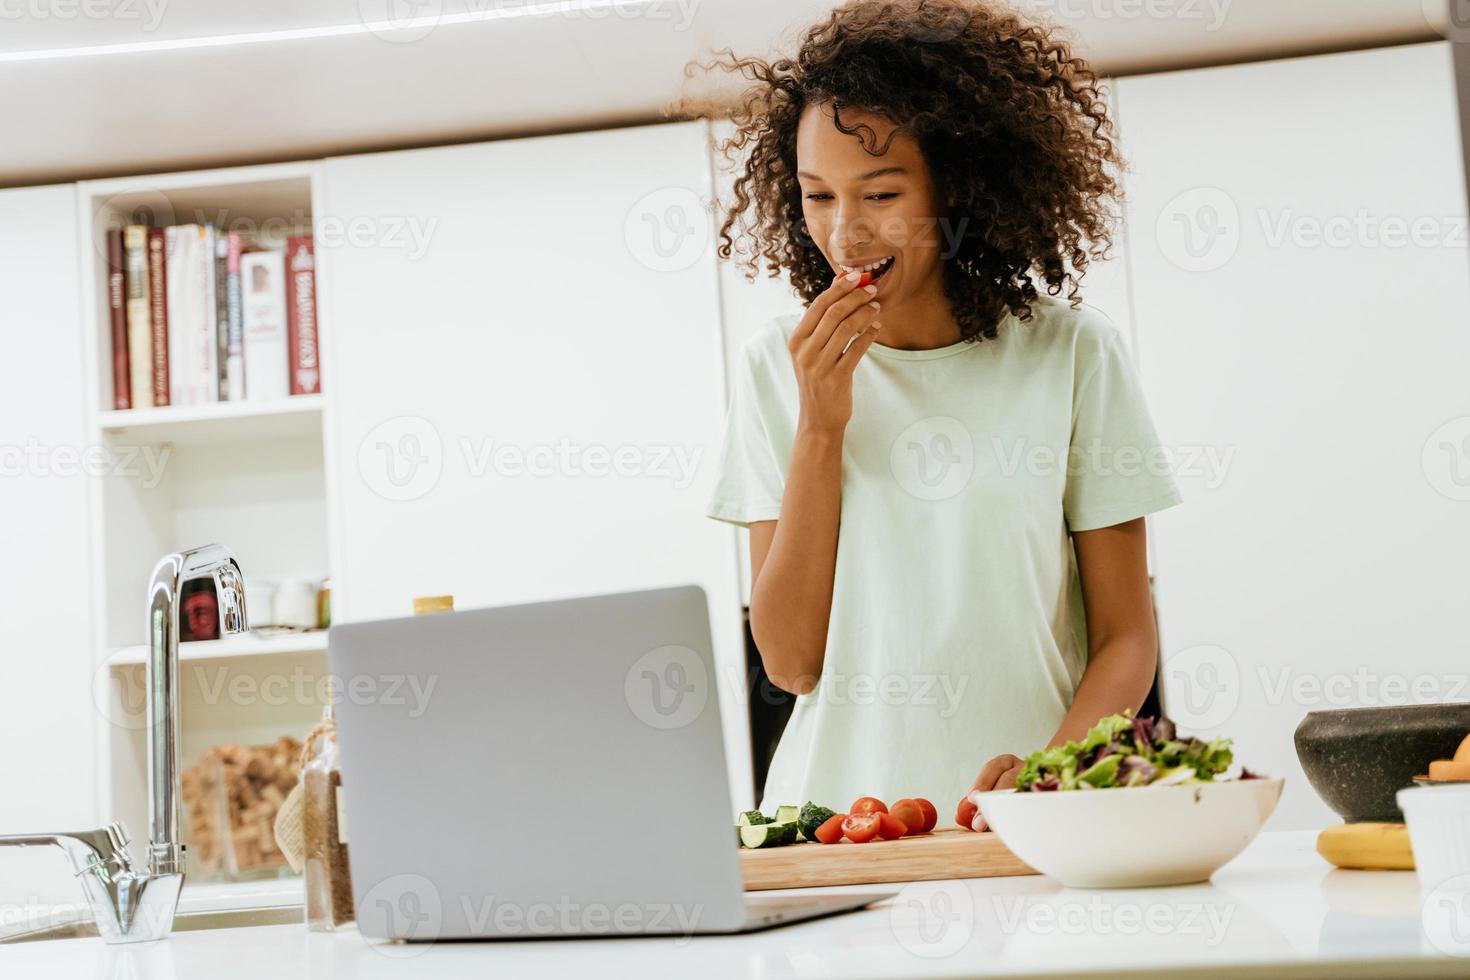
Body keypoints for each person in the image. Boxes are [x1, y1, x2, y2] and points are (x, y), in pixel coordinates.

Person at [694, 0, 1183, 822]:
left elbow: (1127, 637)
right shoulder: (778, 370)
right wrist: (821, 424)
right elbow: (788, 661)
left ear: (957, 189)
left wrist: (1046, 783)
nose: (844, 233)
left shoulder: (1071, 356)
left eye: (881, 192)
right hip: (836, 830)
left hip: (1028, 825)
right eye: (817, 196)